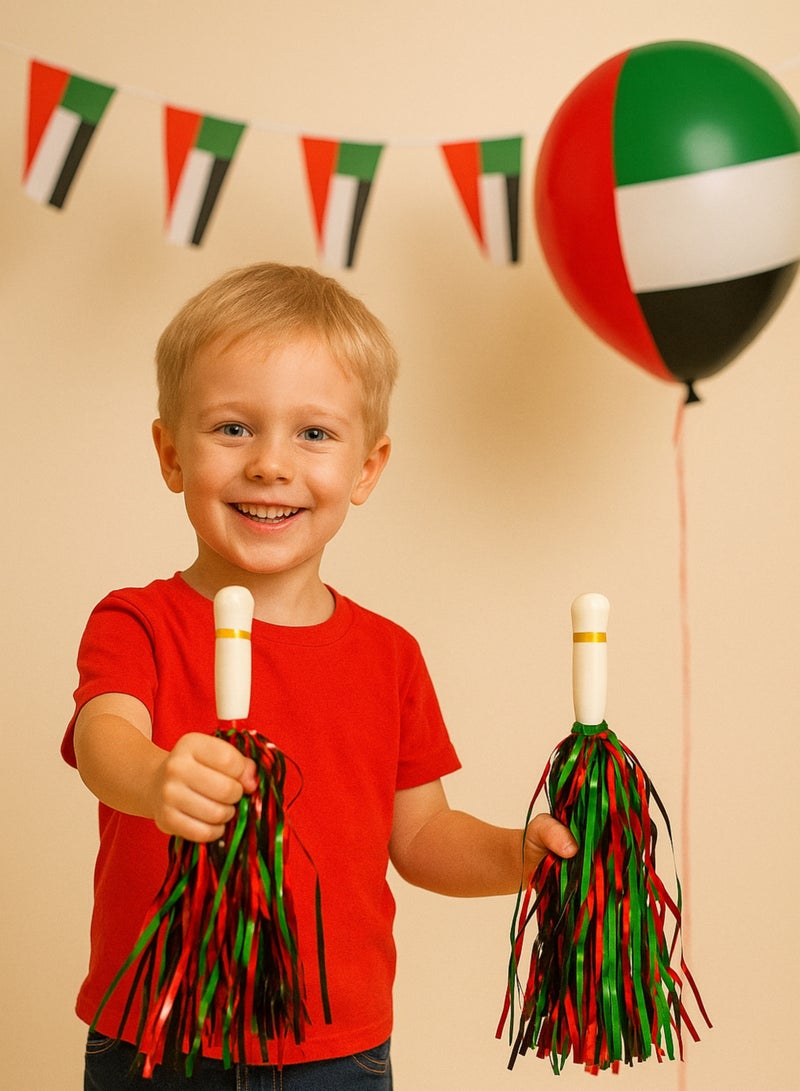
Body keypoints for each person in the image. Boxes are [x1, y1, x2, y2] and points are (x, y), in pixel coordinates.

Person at [62, 263, 577, 1090]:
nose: (271, 464)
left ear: (367, 469)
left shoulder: (389, 654)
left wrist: (520, 857)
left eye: (313, 434)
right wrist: (158, 776)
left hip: (337, 1050)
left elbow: (420, 837)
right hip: (154, 1041)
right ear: (170, 452)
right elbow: (102, 741)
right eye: (232, 428)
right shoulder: (138, 622)